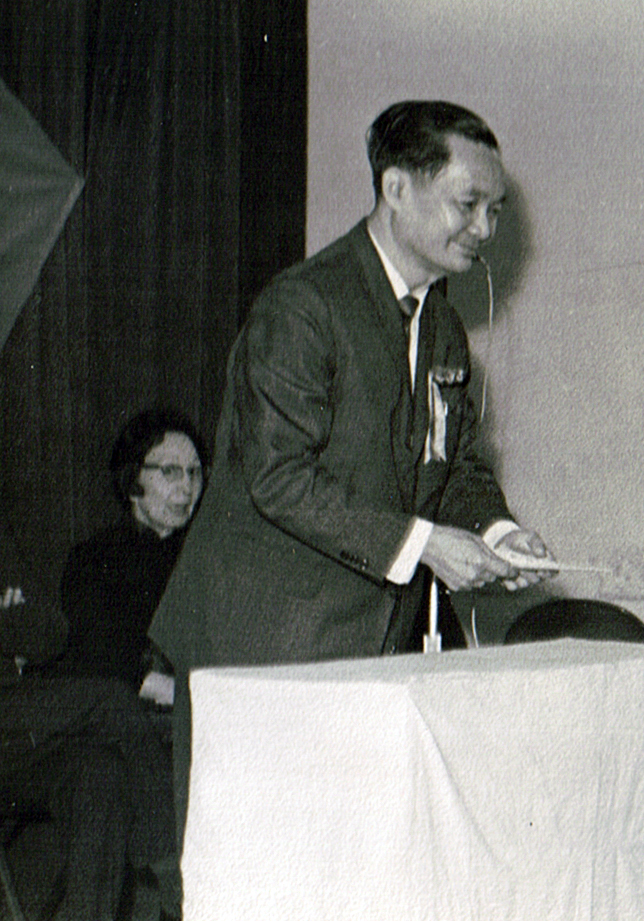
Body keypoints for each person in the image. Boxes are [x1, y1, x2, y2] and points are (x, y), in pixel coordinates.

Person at [149, 100, 554, 838]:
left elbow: (455, 463)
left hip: (363, 645)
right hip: (263, 648)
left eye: (495, 210)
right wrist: (426, 545)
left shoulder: (443, 327)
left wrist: (497, 531)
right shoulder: (303, 306)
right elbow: (279, 478)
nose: (485, 229)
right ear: (396, 188)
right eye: (467, 204)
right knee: (254, 867)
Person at [2, 522, 177, 920]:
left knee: (102, 772)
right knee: (111, 701)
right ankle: (175, 881)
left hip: (16, 740)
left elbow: (51, 636)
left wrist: (14, 624)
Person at [48, 408, 207, 706]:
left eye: (194, 472)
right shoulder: (94, 559)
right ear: (133, 480)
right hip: (133, 716)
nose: (187, 487)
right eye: (170, 471)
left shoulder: (206, 556)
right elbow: (102, 656)